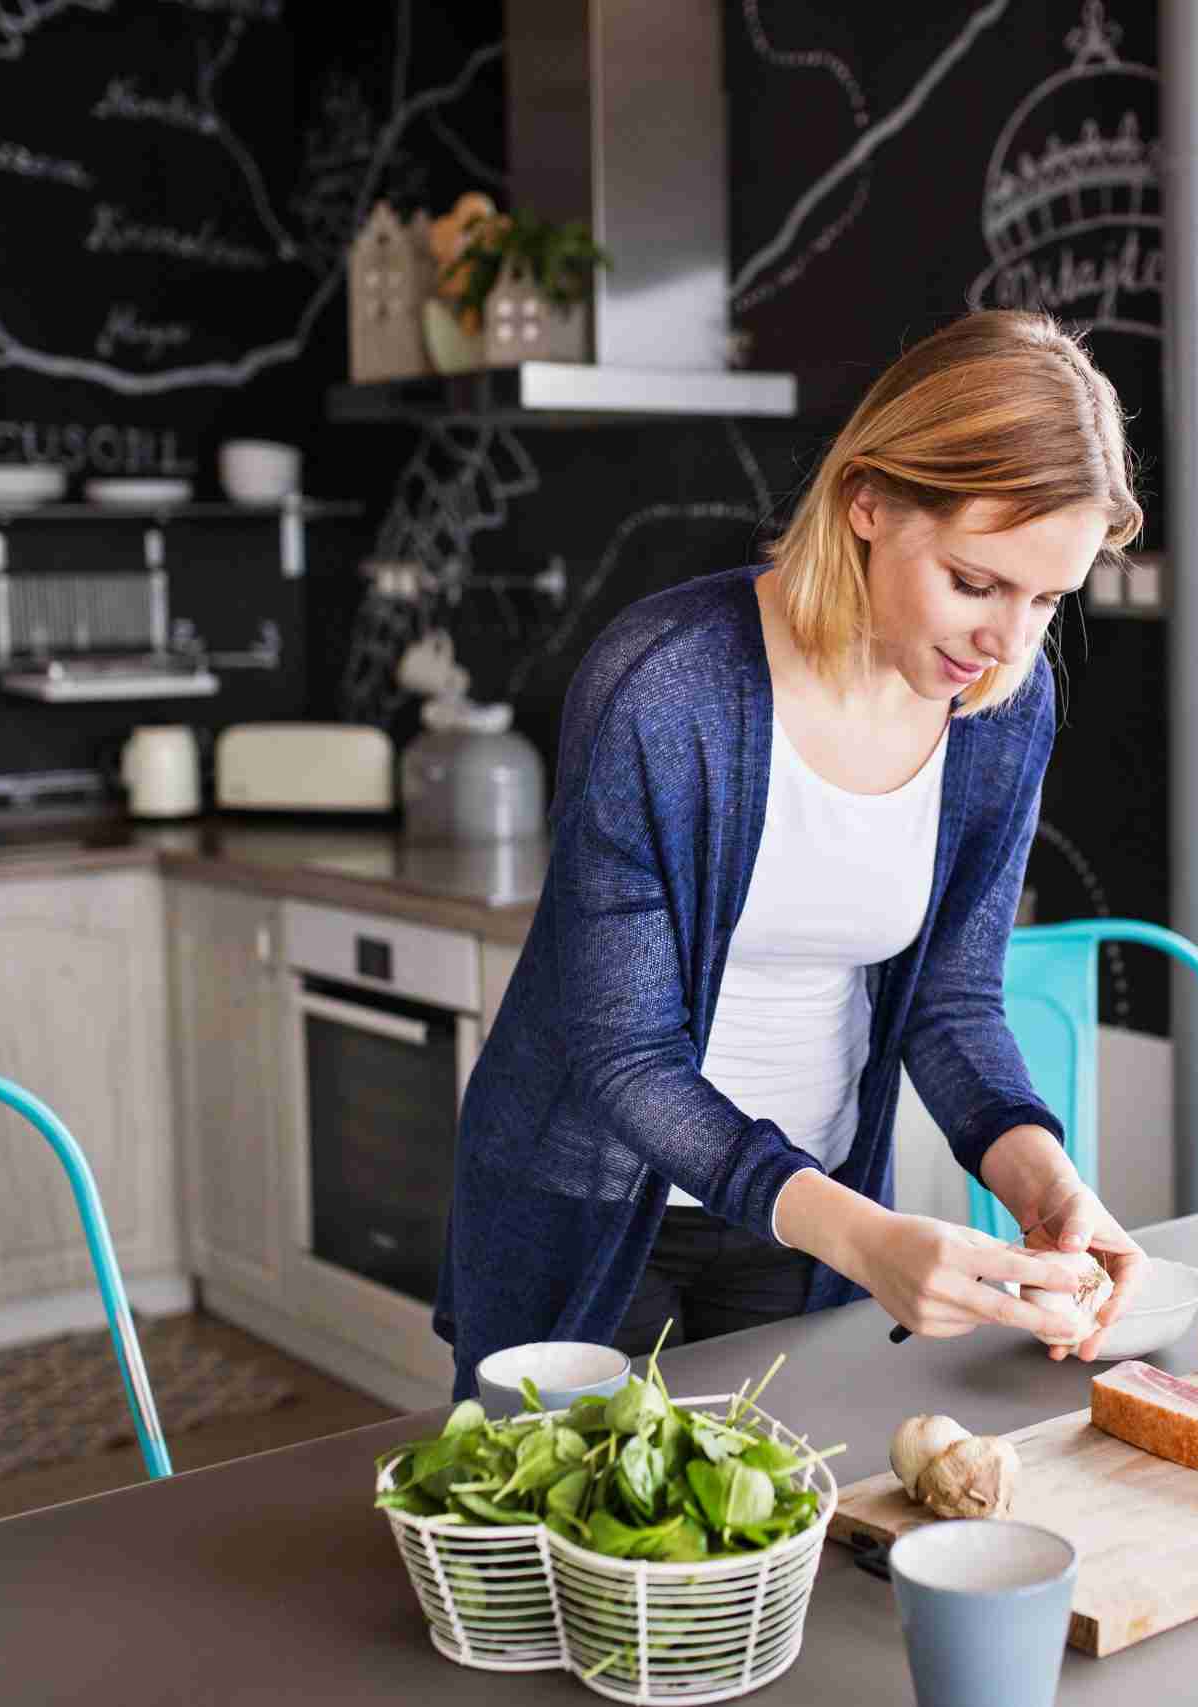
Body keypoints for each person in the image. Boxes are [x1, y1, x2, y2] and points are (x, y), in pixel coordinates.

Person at [433, 309, 1152, 1398]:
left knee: (789, 1535)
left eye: (1047, 598)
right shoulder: (667, 688)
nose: (1008, 641)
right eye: (975, 582)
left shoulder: (1003, 704)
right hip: (593, 1199)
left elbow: (949, 1004)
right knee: (575, 1546)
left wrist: (1044, 1181)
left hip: (803, 1212)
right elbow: (624, 1053)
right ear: (866, 500)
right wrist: (864, 1238)